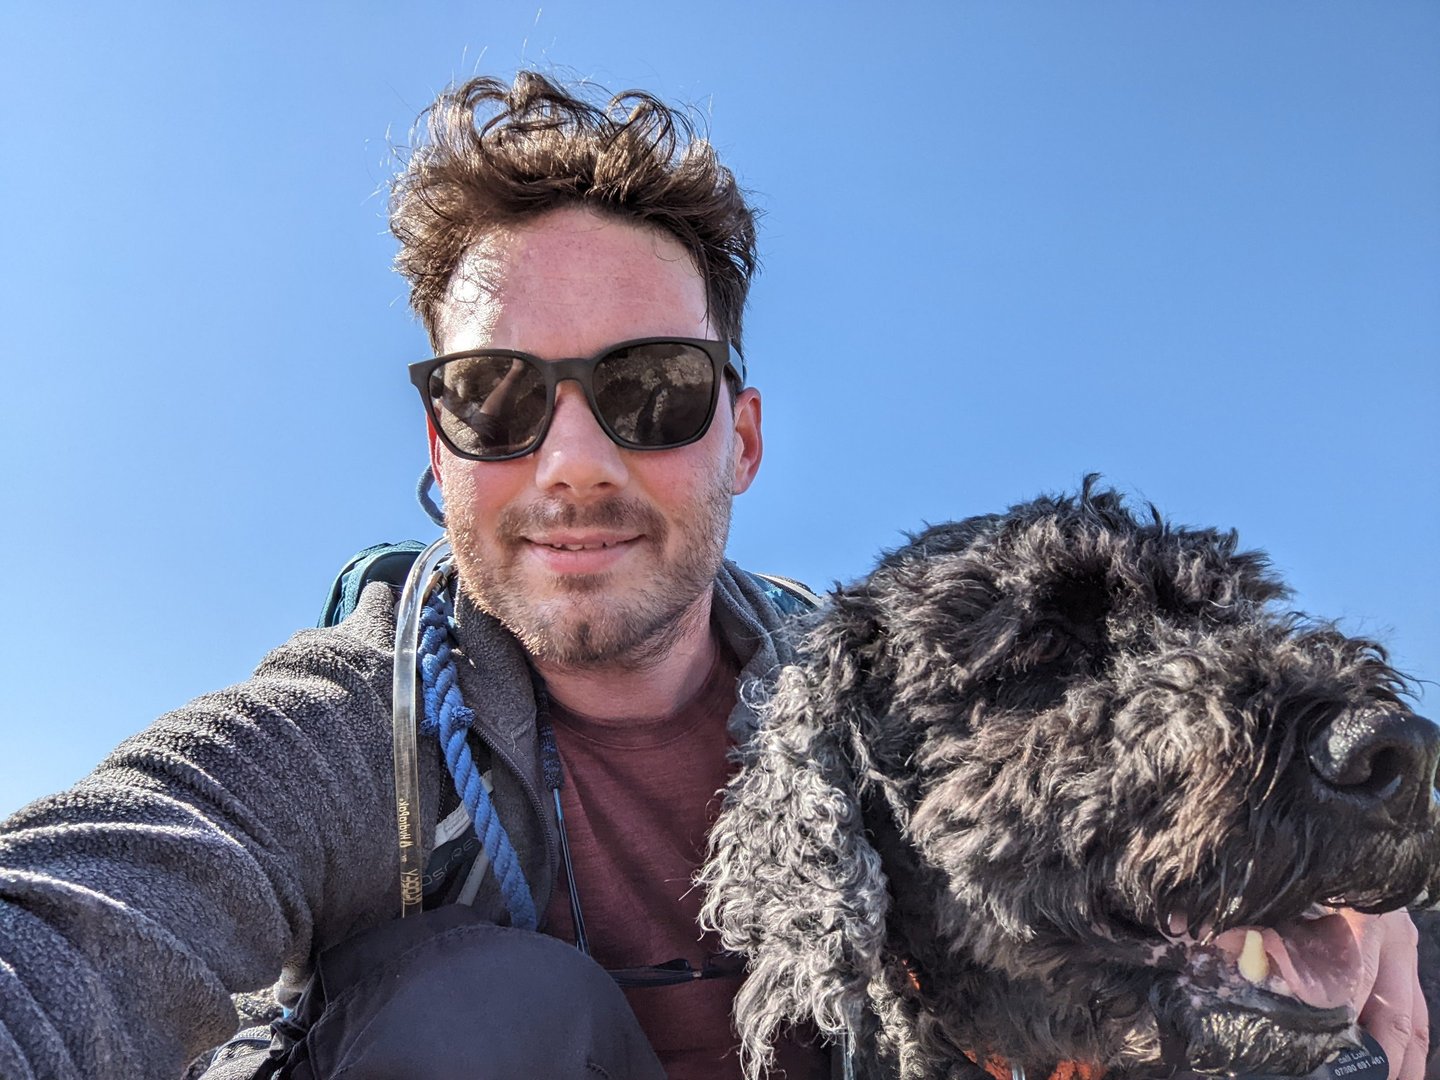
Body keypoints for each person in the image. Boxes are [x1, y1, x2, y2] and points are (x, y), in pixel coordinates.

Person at [0, 71, 1427, 1080]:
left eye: (653, 390)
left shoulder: (902, 699)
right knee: (477, 1015)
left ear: (737, 434)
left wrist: (1344, 898)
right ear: (438, 456)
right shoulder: (344, 739)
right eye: (495, 399)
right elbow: (81, 914)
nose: (571, 464)